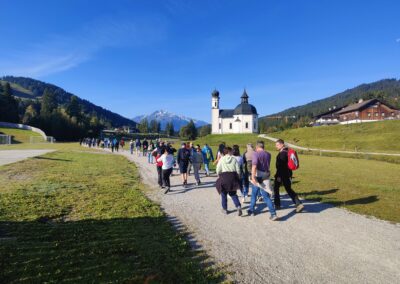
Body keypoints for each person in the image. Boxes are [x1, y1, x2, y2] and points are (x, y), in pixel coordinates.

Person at [247, 141, 279, 221]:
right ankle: (273, 214)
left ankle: (251, 210)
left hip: (258, 176)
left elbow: (254, 166)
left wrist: (253, 177)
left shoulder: (255, 154)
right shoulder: (268, 154)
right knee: (266, 197)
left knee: (254, 194)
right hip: (266, 176)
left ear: (257, 147)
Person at [273, 139, 304, 212]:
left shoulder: (282, 154)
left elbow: (281, 166)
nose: (276, 146)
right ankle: (298, 204)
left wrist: (278, 176)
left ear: (282, 144)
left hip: (281, 174)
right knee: (288, 189)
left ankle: (277, 205)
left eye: (277, 145)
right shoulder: (287, 151)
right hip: (288, 174)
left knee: (276, 188)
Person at [216, 147, 242, 216]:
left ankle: (225, 209)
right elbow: (238, 170)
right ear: (228, 152)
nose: (232, 152)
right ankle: (238, 206)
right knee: (233, 193)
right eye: (231, 151)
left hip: (224, 177)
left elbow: (218, 169)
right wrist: (238, 176)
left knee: (223, 193)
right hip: (232, 177)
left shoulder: (222, 159)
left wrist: (218, 175)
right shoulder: (234, 159)